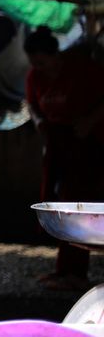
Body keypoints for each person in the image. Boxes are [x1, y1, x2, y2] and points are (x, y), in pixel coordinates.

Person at [24, 26, 104, 291]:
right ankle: (64, 269)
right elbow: (33, 107)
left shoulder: (84, 69)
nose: (39, 67)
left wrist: (90, 121)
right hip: (57, 143)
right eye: (34, 63)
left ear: (55, 56)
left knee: (78, 209)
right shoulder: (35, 76)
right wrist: (40, 125)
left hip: (88, 145)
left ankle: (77, 273)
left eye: (42, 62)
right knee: (59, 205)